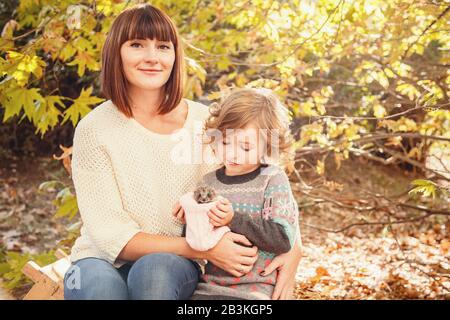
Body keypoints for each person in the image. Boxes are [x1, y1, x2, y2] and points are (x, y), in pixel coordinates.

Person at [64, 4, 301, 300]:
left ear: (175, 56)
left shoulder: (207, 123)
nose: (152, 57)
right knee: (98, 289)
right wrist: (204, 247)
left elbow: (264, 177)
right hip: (100, 259)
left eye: (163, 46)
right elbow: (110, 235)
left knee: (154, 272)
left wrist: (295, 249)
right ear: (116, 53)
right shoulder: (94, 129)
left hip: (173, 265)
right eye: (137, 44)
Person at [174, 88, 300, 299]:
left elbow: (283, 238)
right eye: (225, 142)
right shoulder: (208, 182)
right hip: (208, 288)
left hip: (257, 289)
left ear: (267, 146)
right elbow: (197, 241)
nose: (232, 153)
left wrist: (233, 219)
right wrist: (192, 217)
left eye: (246, 147)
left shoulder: (272, 179)